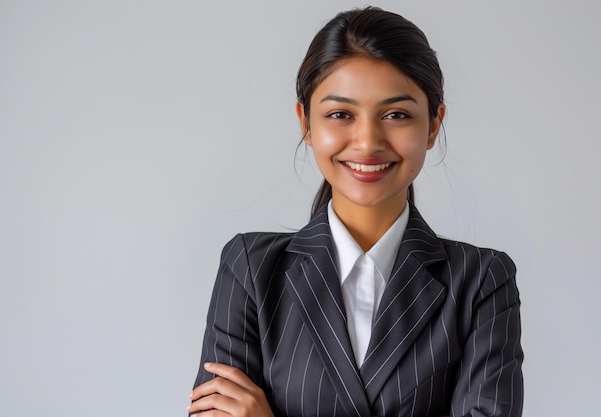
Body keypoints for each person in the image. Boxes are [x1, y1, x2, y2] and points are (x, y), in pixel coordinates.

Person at [188, 7, 523, 417]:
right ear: (306, 123)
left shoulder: (480, 280)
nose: (367, 142)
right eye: (340, 115)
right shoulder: (251, 269)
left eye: (396, 115)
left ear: (434, 125)